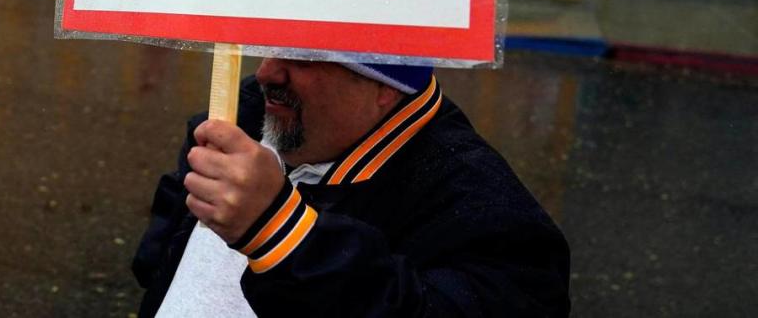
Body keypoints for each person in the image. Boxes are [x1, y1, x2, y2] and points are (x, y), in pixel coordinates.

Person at [133, 59, 571, 317]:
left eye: (302, 54)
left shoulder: (489, 217)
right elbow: (168, 236)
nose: (267, 70)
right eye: (270, 37)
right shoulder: (247, 111)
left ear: (387, 83)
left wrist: (281, 233)